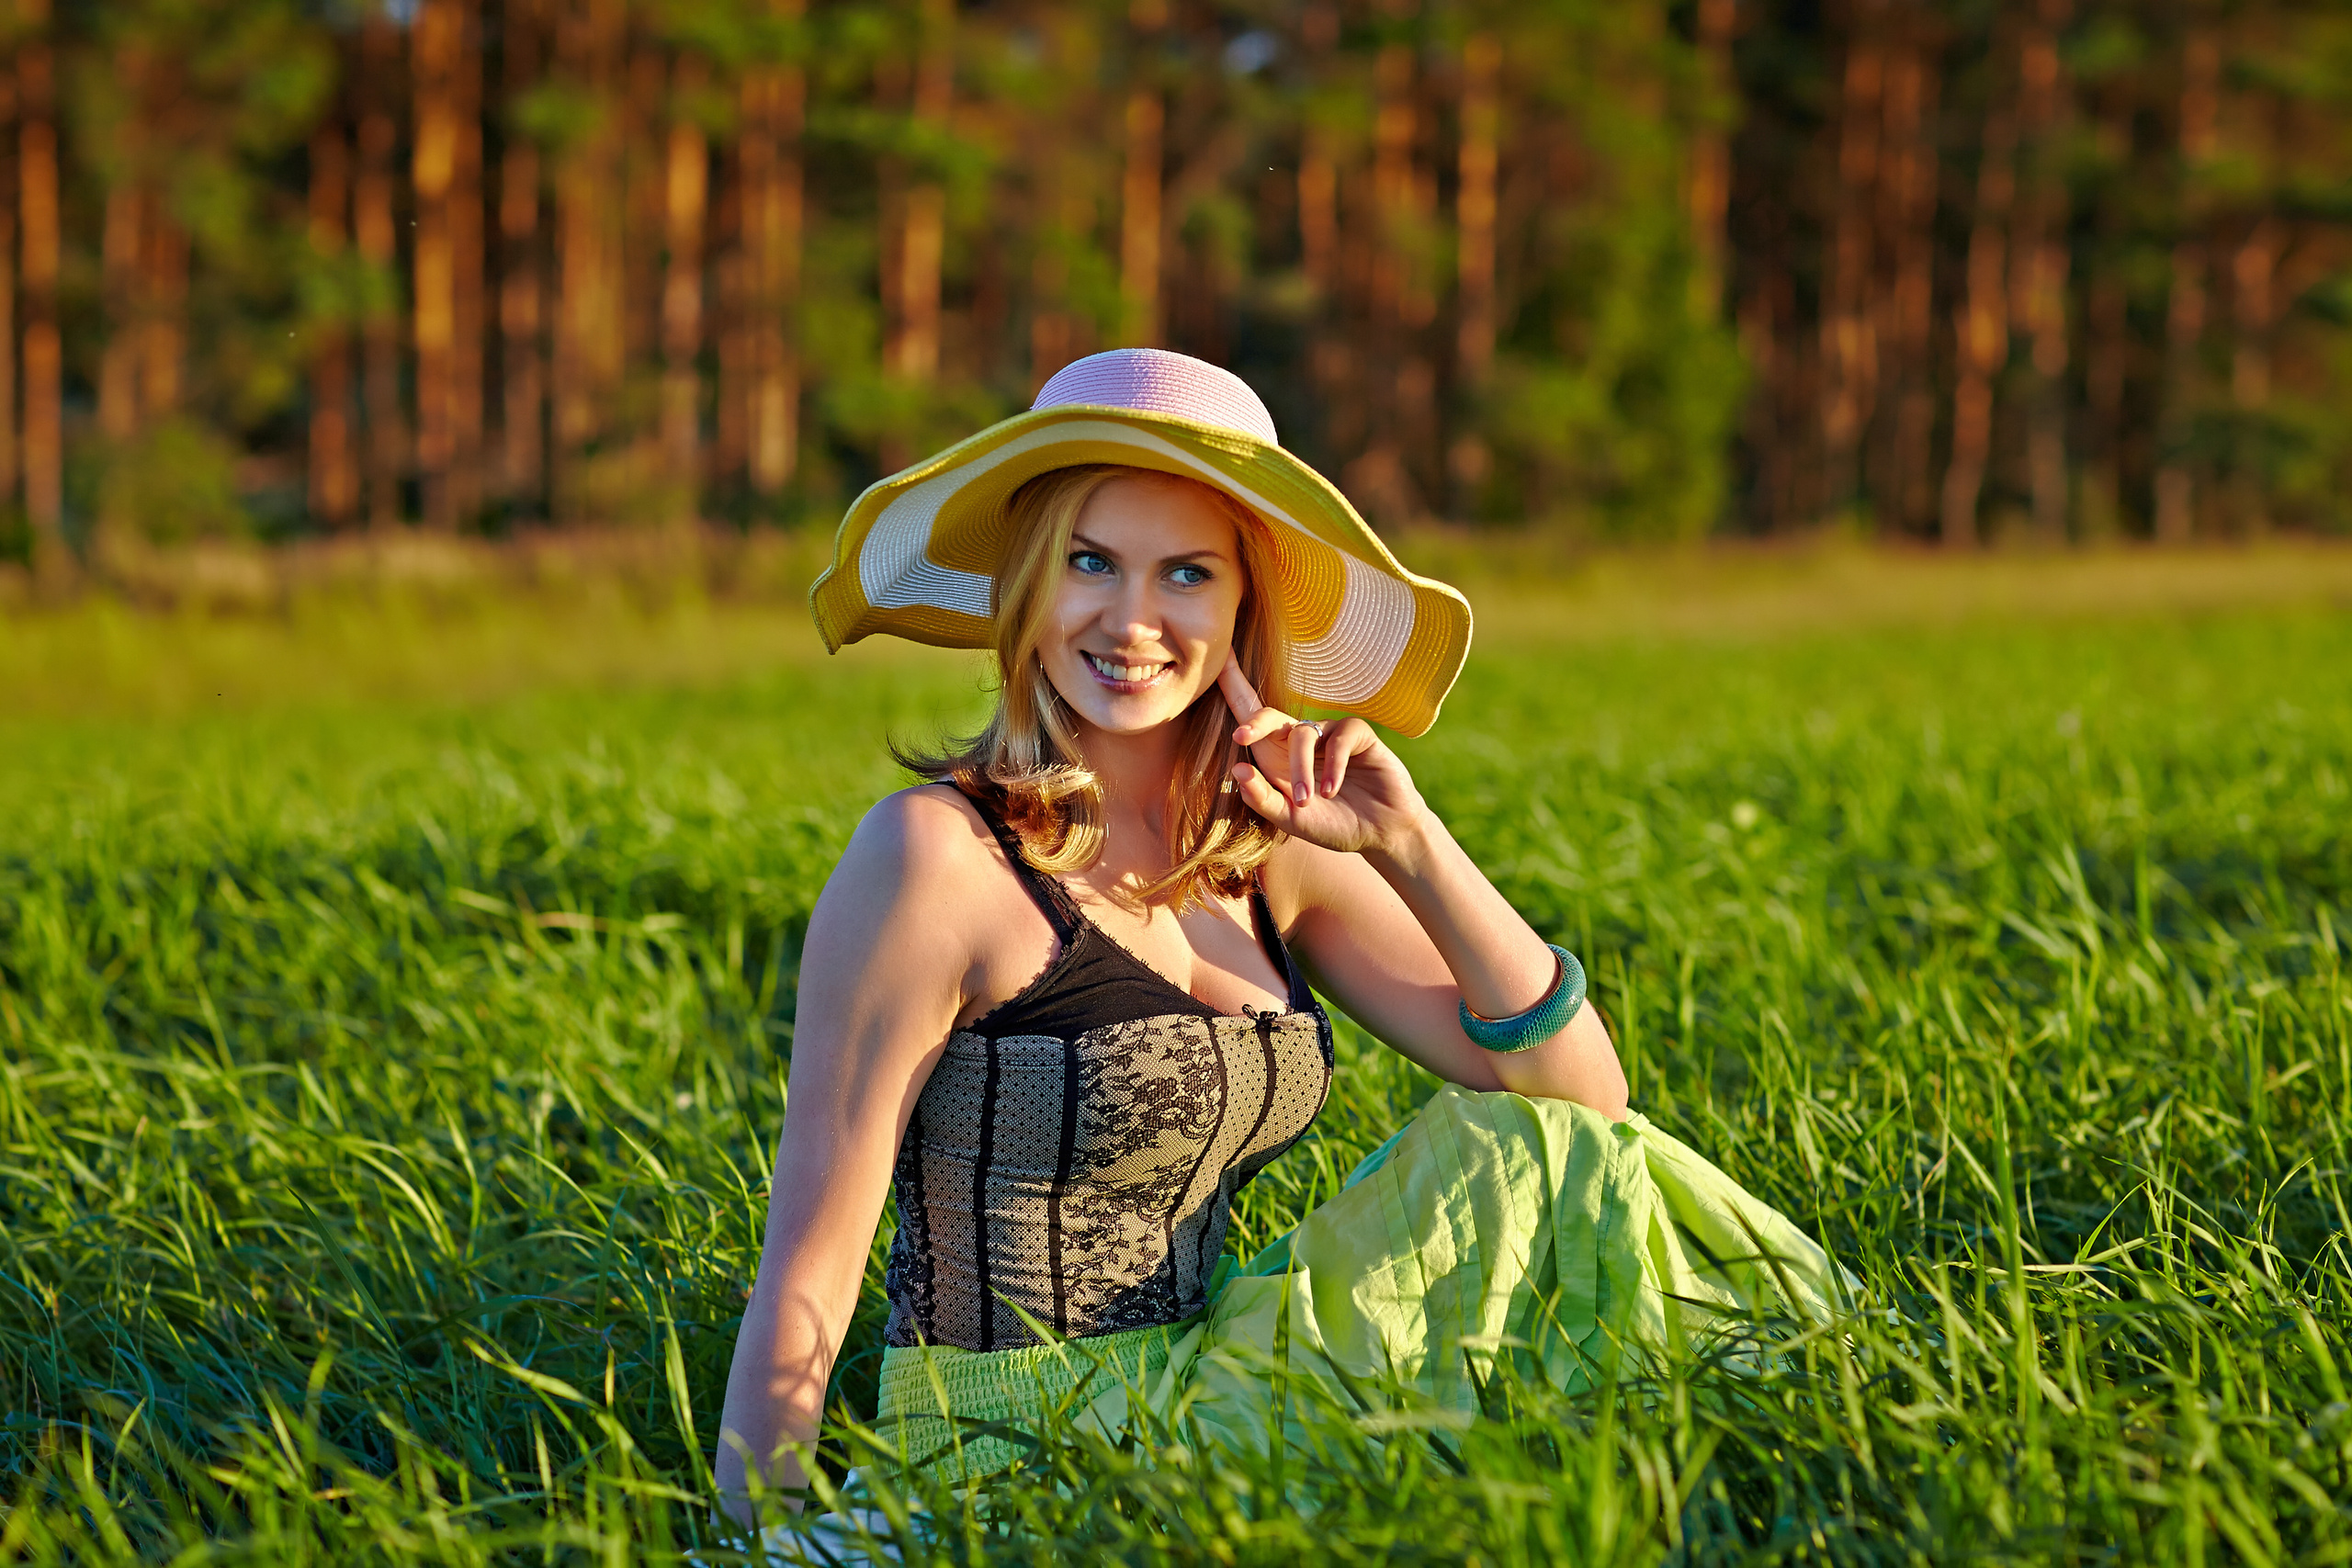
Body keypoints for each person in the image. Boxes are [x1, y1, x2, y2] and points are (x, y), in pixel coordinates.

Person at [714, 349, 1846, 1525]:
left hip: (1210, 1398)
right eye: (1089, 562)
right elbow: (811, 1262)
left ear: (1243, 609)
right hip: (1011, 1446)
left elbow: (1581, 1103)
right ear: (1028, 587)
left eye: (1186, 574)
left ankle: (1794, 1461)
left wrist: (1409, 842)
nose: (1132, 621)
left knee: (1532, 1156)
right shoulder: (936, 857)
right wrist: (762, 1538)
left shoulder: (1266, 847)